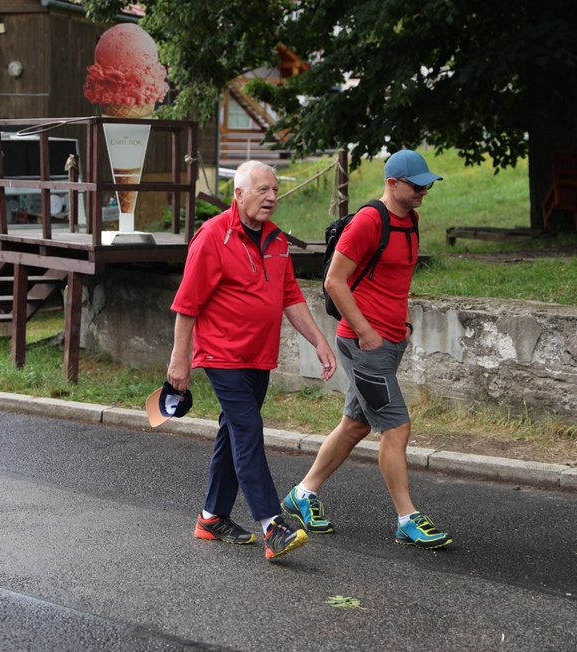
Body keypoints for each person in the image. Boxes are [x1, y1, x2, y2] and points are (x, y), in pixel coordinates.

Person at [281, 149, 454, 549]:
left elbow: (397, 279)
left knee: (356, 424)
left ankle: (302, 494)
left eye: (427, 184)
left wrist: (404, 322)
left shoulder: (410, 220)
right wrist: (366, 331)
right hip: (364, 345)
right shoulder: (368, 221)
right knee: (396, 427)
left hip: (391, 342)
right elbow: (334, 281)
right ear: (392, 183)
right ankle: (407, 518)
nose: (424, 191)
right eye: (416, 185)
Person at [167, 160, 337, 560]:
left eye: (275, 190)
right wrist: (180, 361)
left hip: (259, 356)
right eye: (263, 190)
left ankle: (211, 517)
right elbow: (187, 305)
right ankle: (272, 525)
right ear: (239, 194)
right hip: (221, 354)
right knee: (248, 430)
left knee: (233, 432)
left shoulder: (277, 240)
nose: (272, 197)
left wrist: (319, 342)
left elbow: (290, 297)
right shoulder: (212, 237)